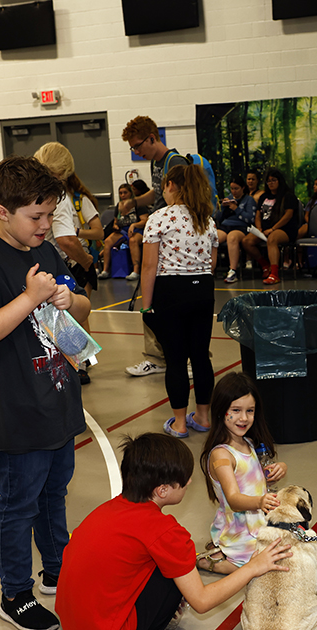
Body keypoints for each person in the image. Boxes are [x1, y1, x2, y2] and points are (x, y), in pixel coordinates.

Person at [0, 156, 91, 630]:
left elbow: (81, 311)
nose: (46, 225)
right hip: (15, 410)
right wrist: (30, 297)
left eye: (51, 215)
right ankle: (15, 593)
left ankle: (57, 568)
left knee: (56, 492)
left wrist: (72, 302)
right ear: (2, 211)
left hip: (56, 398)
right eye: (36, 217)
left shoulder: (47, 251)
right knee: (18, 504)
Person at [54, 432, 292, 630]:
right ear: (163, 490)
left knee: (159, 563)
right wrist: (253, 566)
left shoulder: (107, 509)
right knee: (175, 570)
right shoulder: (165, 531)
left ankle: (142, 629)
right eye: (185, 479)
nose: (189, 483)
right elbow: (202, 601)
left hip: (75, 627)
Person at [140, 163, 218, 438]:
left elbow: (149, 267)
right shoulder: (206, 219)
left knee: (175, 360)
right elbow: (212, 263)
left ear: (171, 185)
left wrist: (146, 305)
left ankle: (180, 423)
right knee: (200, 356)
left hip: (171, 289)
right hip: (203, 291)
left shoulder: (160, 218)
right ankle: (205, 417)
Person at [196, 372, 287, 575]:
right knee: (260, 565)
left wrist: (280, 468)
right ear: (221, 411)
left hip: (258, 519)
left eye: (250, 411)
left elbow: (258, 477)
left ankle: (221, 551)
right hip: (240, 528)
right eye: (235, 410)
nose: (244, 418)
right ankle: (211, 561)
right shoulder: (221, 455)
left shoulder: (249, 443)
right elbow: (234, 499)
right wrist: (260, 502)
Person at [121, 115, 189, 377]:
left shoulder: (176, 162)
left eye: (138, 146)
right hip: (159, 235)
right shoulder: (156, 163)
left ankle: (193, 357)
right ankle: (156, 356)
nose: (137, 152)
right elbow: (158, 196)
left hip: (173, 243)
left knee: (178, 302)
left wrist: (151, 220)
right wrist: (135, 203)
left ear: (152, 138)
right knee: (153, 299)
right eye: (133, 148)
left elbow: (182, 202)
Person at [33, 142, 103, 385]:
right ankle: (80, 362)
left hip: (33, 266)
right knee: (76, 314)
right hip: (59, 264)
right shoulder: (58, 196)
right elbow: (65, 240)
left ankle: (75, 361)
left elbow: (97, 232)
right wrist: (86, 261)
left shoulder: (27, 192)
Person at [241, 167, 299, 285]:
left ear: (279, 181)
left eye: (273, 180)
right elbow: (258, 215)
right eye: (268, 181)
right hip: (265, 229)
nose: (271, 183)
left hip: (284, 228)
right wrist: (259, 228)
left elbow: (288, 215)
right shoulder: (264, 196)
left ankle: (274, 273)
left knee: (272, 239)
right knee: (246, 241)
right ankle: (264, 265)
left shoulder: (288, 196)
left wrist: (273, 228)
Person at [216, 175, 256, 283]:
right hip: (225, 225)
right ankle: (210, 269)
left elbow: (250, 219)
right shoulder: (229, 198)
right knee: (213, 237)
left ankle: (232, 271)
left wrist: (237, 209)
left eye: (236, 188)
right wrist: (221, 207)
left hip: (240, 227)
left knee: (232, 237)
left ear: (243, 188)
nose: (234, 191)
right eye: (232, 188)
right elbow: (218, 217)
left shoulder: (249, 200)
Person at [98, 183, 141, 279]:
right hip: (122, 231)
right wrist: (115, 226)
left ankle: (136, 271)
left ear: (131, 193)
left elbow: (145, 220)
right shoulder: (119, 205)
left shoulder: (138, 204)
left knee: (133, 241)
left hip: (137, 230)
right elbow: (115, 221)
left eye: (125, 192)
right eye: (120, 193)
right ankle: (105, 270)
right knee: (108, 241)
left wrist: (134, 225)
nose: (123, 195)